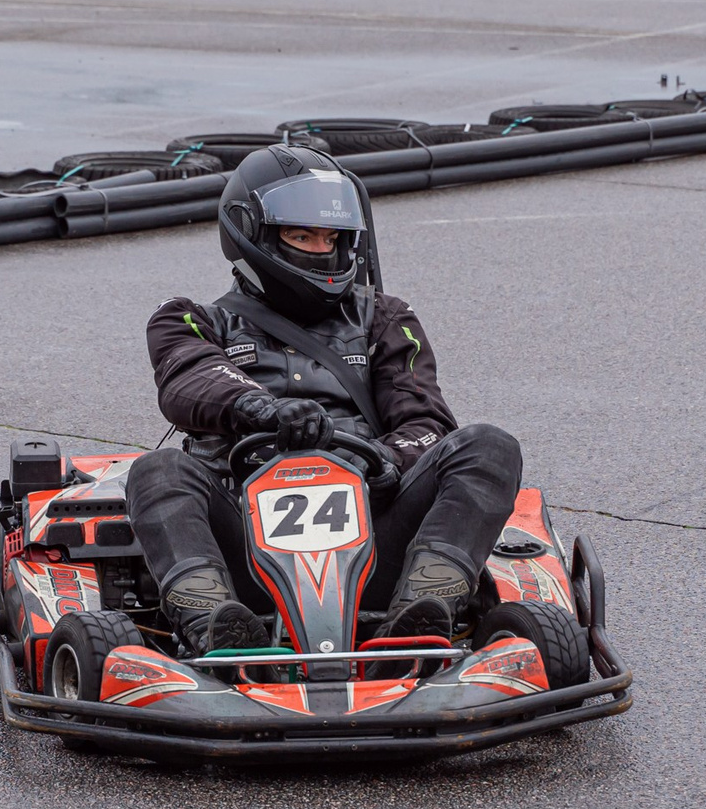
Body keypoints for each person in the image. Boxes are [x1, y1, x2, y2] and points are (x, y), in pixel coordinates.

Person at [126, 145, 523, 658]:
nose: (320, 250)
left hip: (374, 544)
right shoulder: (192, 319)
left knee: (489, 445)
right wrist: (262, 411)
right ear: (252, 233)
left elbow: (425, 422)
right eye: (301, 235)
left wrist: (371, 460)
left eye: (330, 237)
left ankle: (422, 613)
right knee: (158, 470)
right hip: (243, 549)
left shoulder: (384, 318)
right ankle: (211, 628)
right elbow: (190, 374)